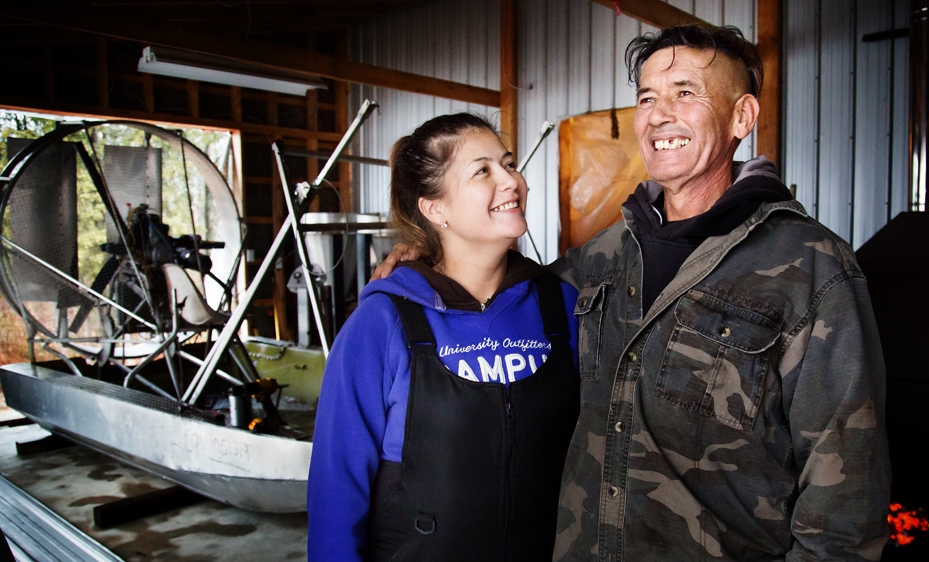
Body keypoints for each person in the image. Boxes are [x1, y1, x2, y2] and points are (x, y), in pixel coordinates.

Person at [374, 25, 891, 562]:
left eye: (685, 92)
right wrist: (427, 256)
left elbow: (845, 489)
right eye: (647, 97)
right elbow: (500, 296)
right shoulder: (602, 255)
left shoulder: (810, 266)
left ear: (742, 117)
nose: (659, 114)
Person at [308, 113, 581, 562]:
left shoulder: (561, 305)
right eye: (483, 171)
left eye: (508, 164)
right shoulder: (383, 321)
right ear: (434, 209)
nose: (511, 181)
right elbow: (336, 488)